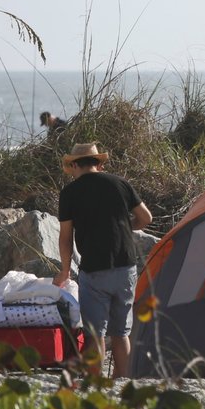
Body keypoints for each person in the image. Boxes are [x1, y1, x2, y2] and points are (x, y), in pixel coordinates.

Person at [53, 143, 153, 378]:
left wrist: (64, 272)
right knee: (121, 333)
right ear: (100, 164)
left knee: (95, 333)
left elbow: (65, 238)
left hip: (95, 269)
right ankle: (123, 382)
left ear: (75, 165)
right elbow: (145, 217)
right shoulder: (120, 184)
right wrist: (126, 229)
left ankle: (96, 382)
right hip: (126, 267)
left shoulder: (70, 193)